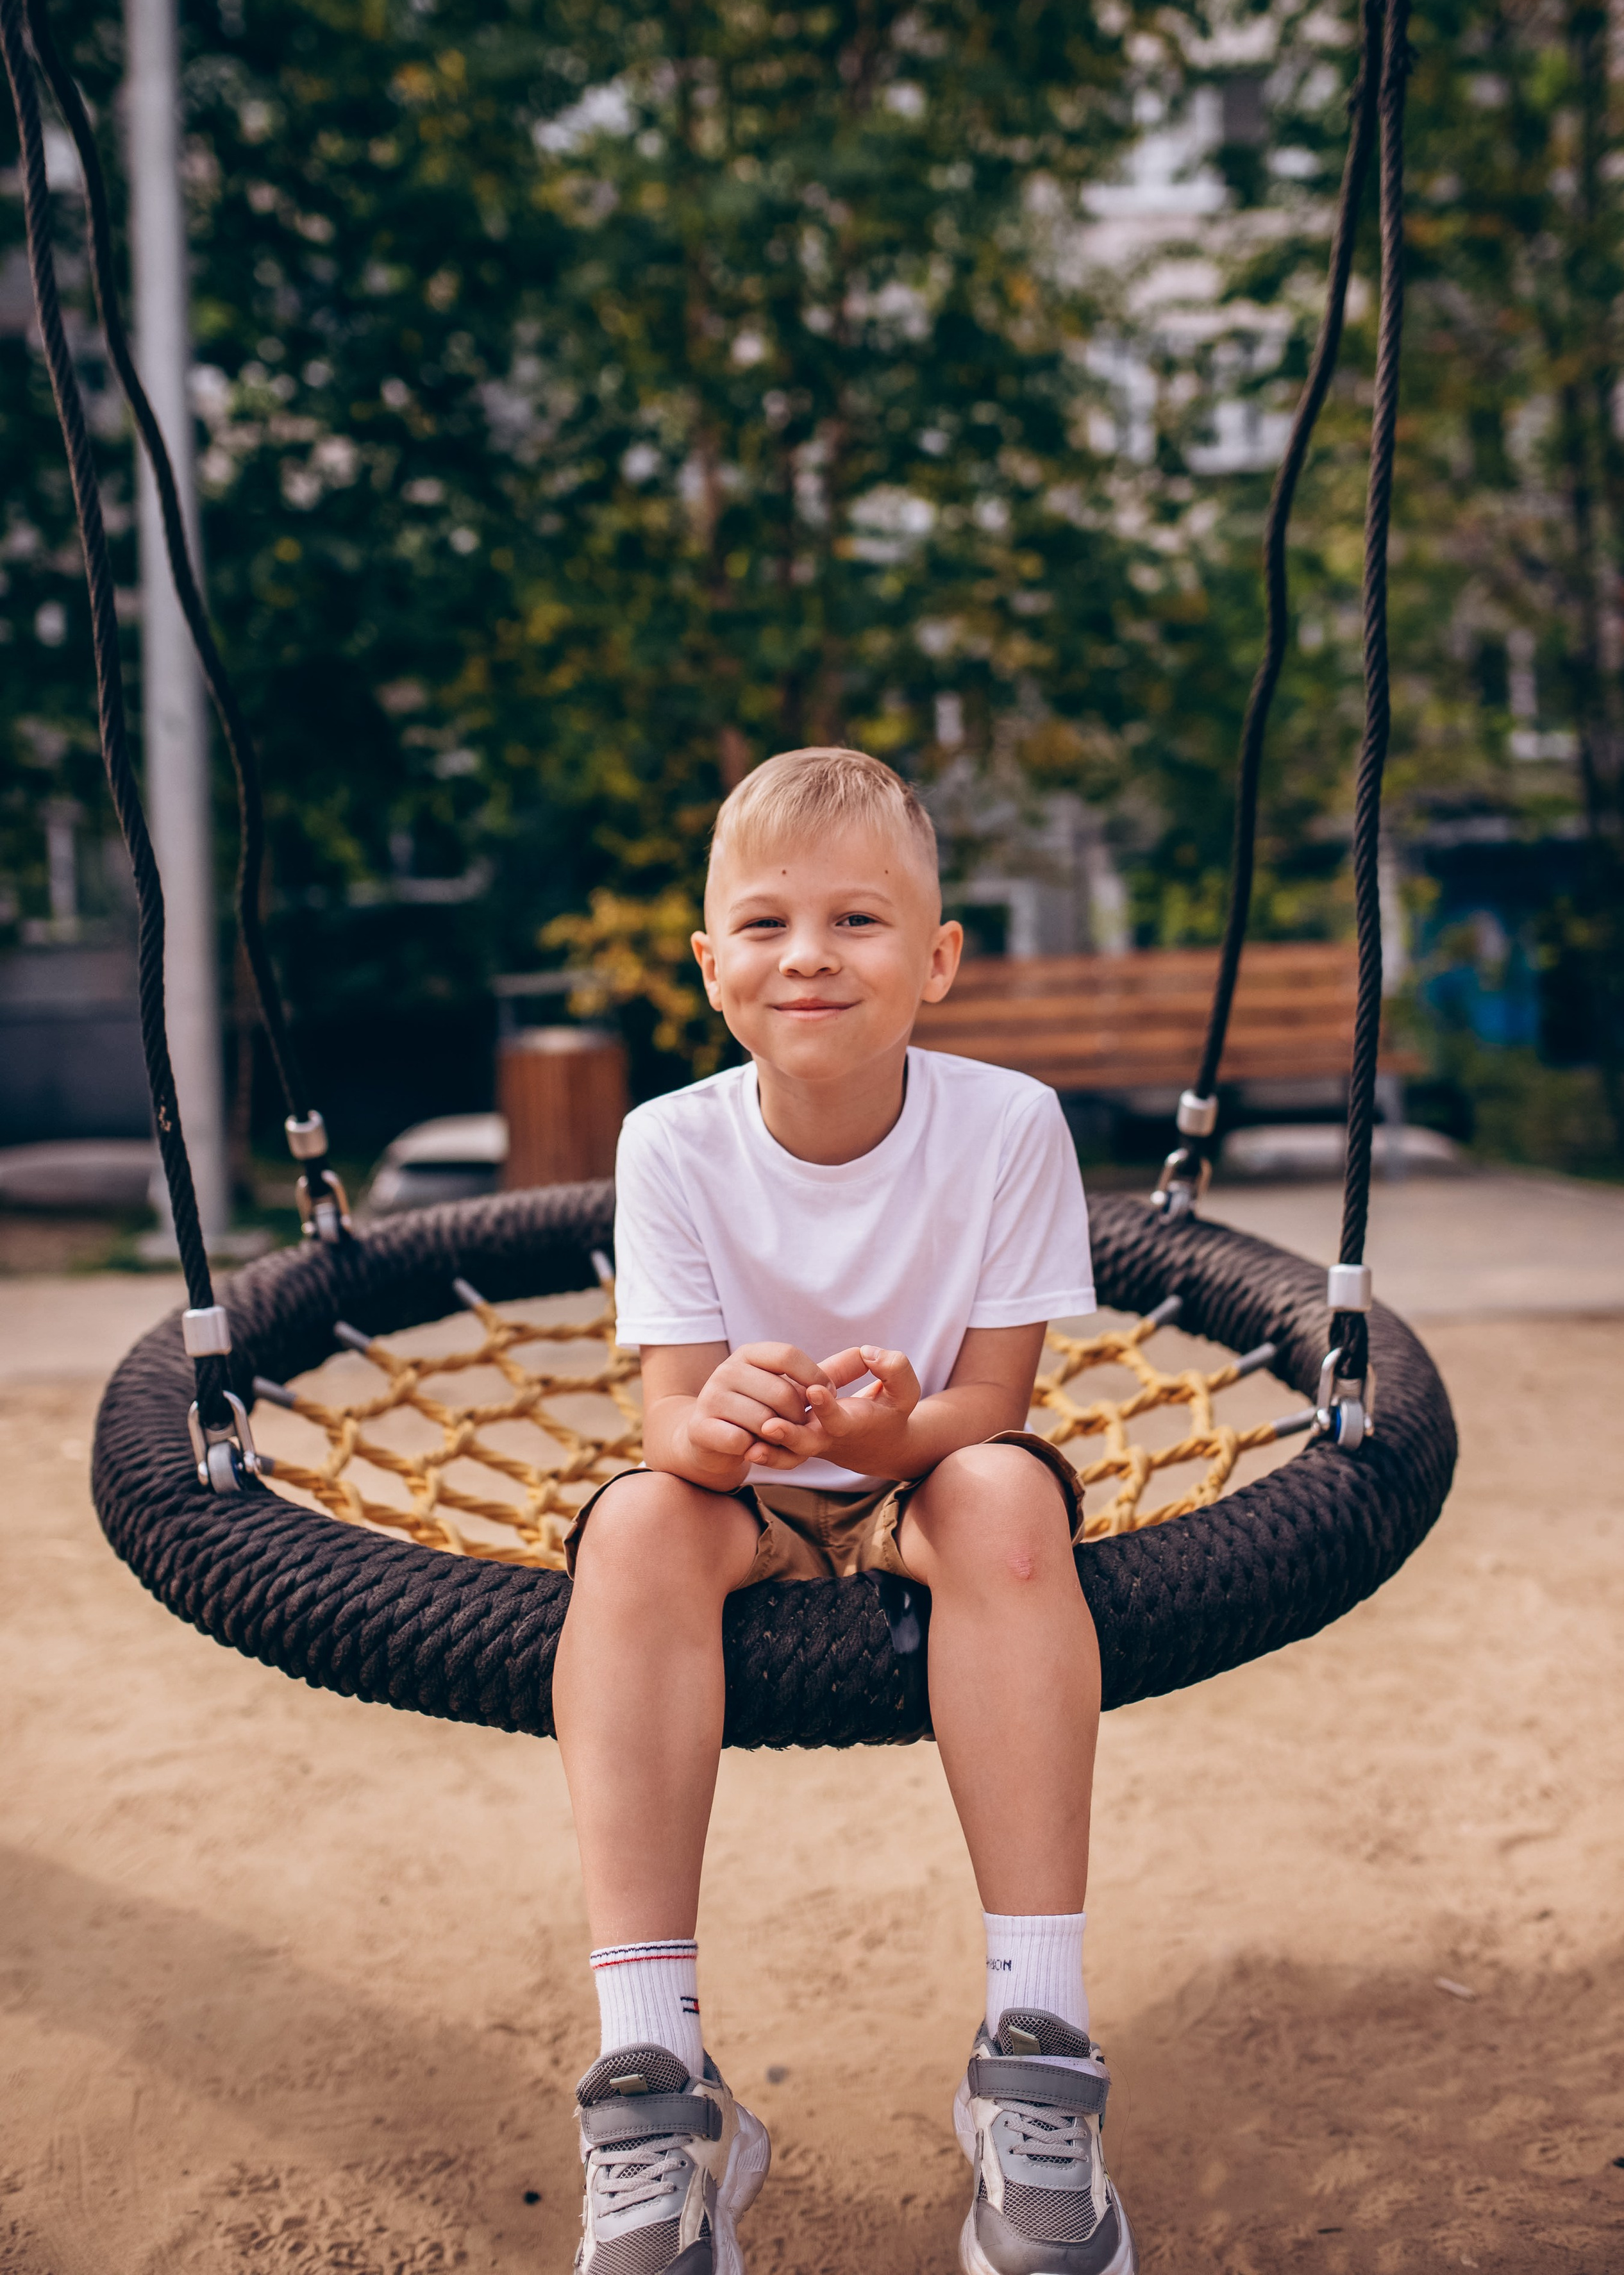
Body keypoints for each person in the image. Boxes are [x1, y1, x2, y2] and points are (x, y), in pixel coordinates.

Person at [553, 746, 1133, 2275]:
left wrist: (894, 1431)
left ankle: (1036, 2045)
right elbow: (669, 1424)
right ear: (709, 969)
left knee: (1009, 1498)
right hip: (740, 1506)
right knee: (630, 1526)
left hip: (926, 1481)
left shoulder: (1006, 1126)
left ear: (936, 959)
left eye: (856, 921)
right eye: (764, 924)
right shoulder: (671, 1141)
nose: (805, 955)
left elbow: (991, 1405)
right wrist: (718, 1426)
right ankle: (654, 2079)